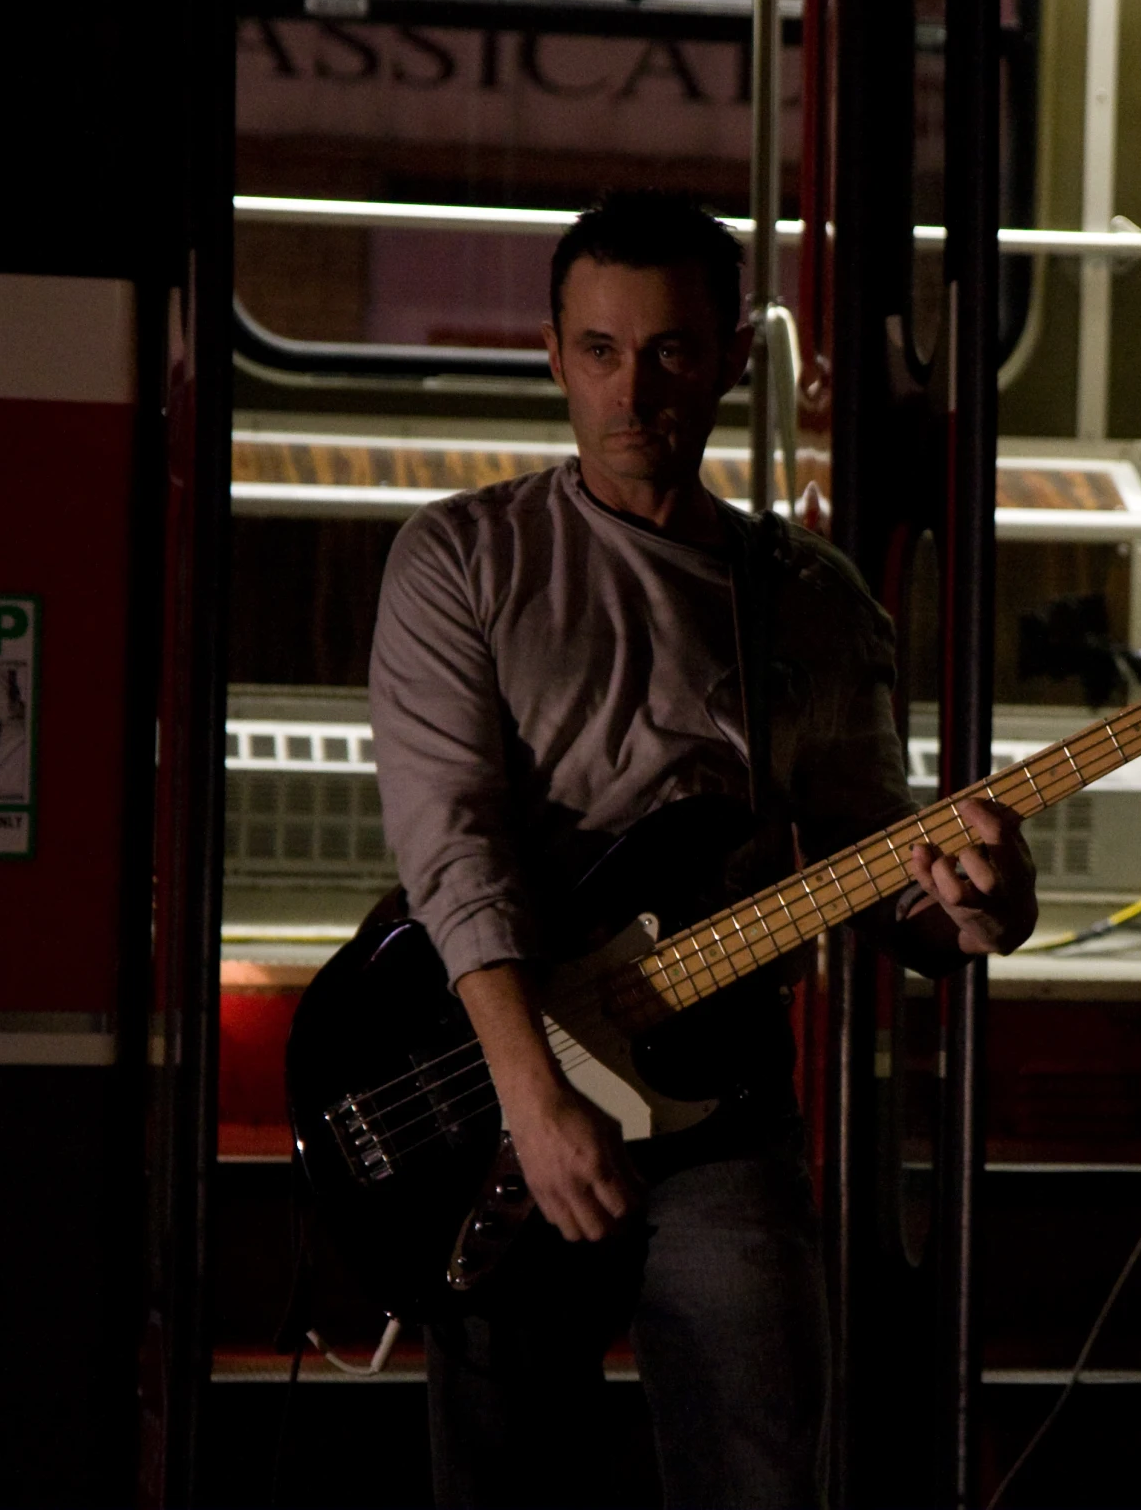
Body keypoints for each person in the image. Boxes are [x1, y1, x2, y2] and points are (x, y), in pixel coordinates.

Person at [368, 190, 1037, 1509]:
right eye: (601, 351)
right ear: (552, 358)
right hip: (496, 1082)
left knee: (763, 1475)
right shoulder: (462, 557)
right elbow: (454, 843)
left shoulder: (812, 598)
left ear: (735, 358)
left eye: (672, 350)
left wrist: (981, 911)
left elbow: (873, 874)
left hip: (722, 1103)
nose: (634, 390)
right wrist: (532, 1096)